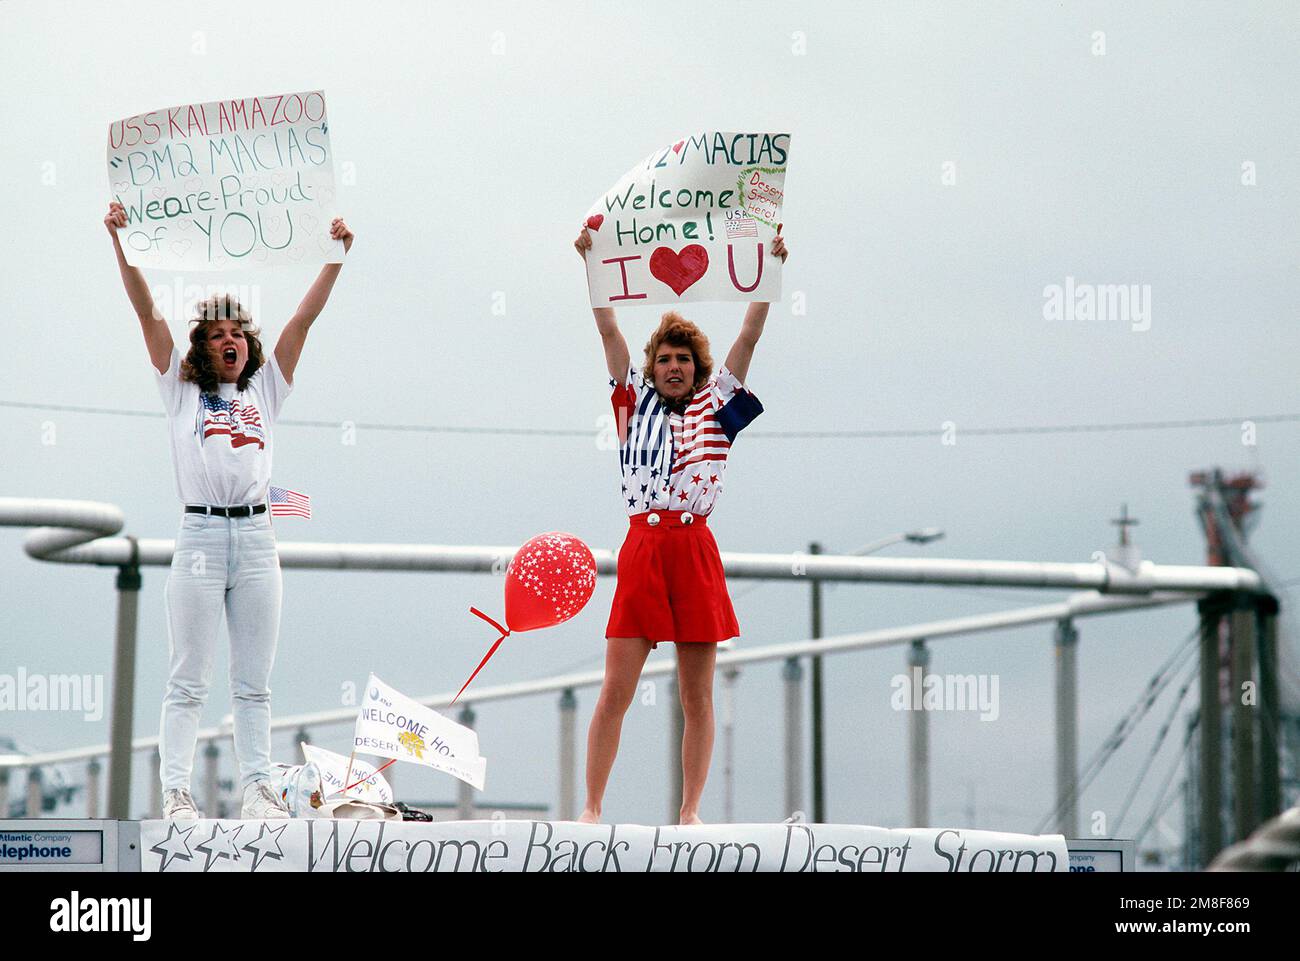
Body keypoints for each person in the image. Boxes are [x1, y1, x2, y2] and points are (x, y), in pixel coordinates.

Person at [103, 201, 354, 820]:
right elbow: (145, 309)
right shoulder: (181, 387)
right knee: (188, 677)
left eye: (238, 332)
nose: (231, 340)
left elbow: (302, 321)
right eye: (218, 334)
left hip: (258, 537)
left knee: (254, 683)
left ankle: (258, 789)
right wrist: (120, 240)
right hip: (200, 534)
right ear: (202, 347)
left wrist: (336, 255)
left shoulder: (265, 387)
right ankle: (176, 793)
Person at [572, 225, 788, 824]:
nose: (673, 367)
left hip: (694, 545)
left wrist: (769, 272)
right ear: (652, 367)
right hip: (643, 543)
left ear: (698, 369)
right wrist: (591, 264)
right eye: (664, 359)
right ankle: (591, 808)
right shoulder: (630, 400)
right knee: (616, 687)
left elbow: (749, 333)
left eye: (683, 360)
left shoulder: (718, 406)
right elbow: (609, 329)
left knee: (696, 693)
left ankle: (689, 810)